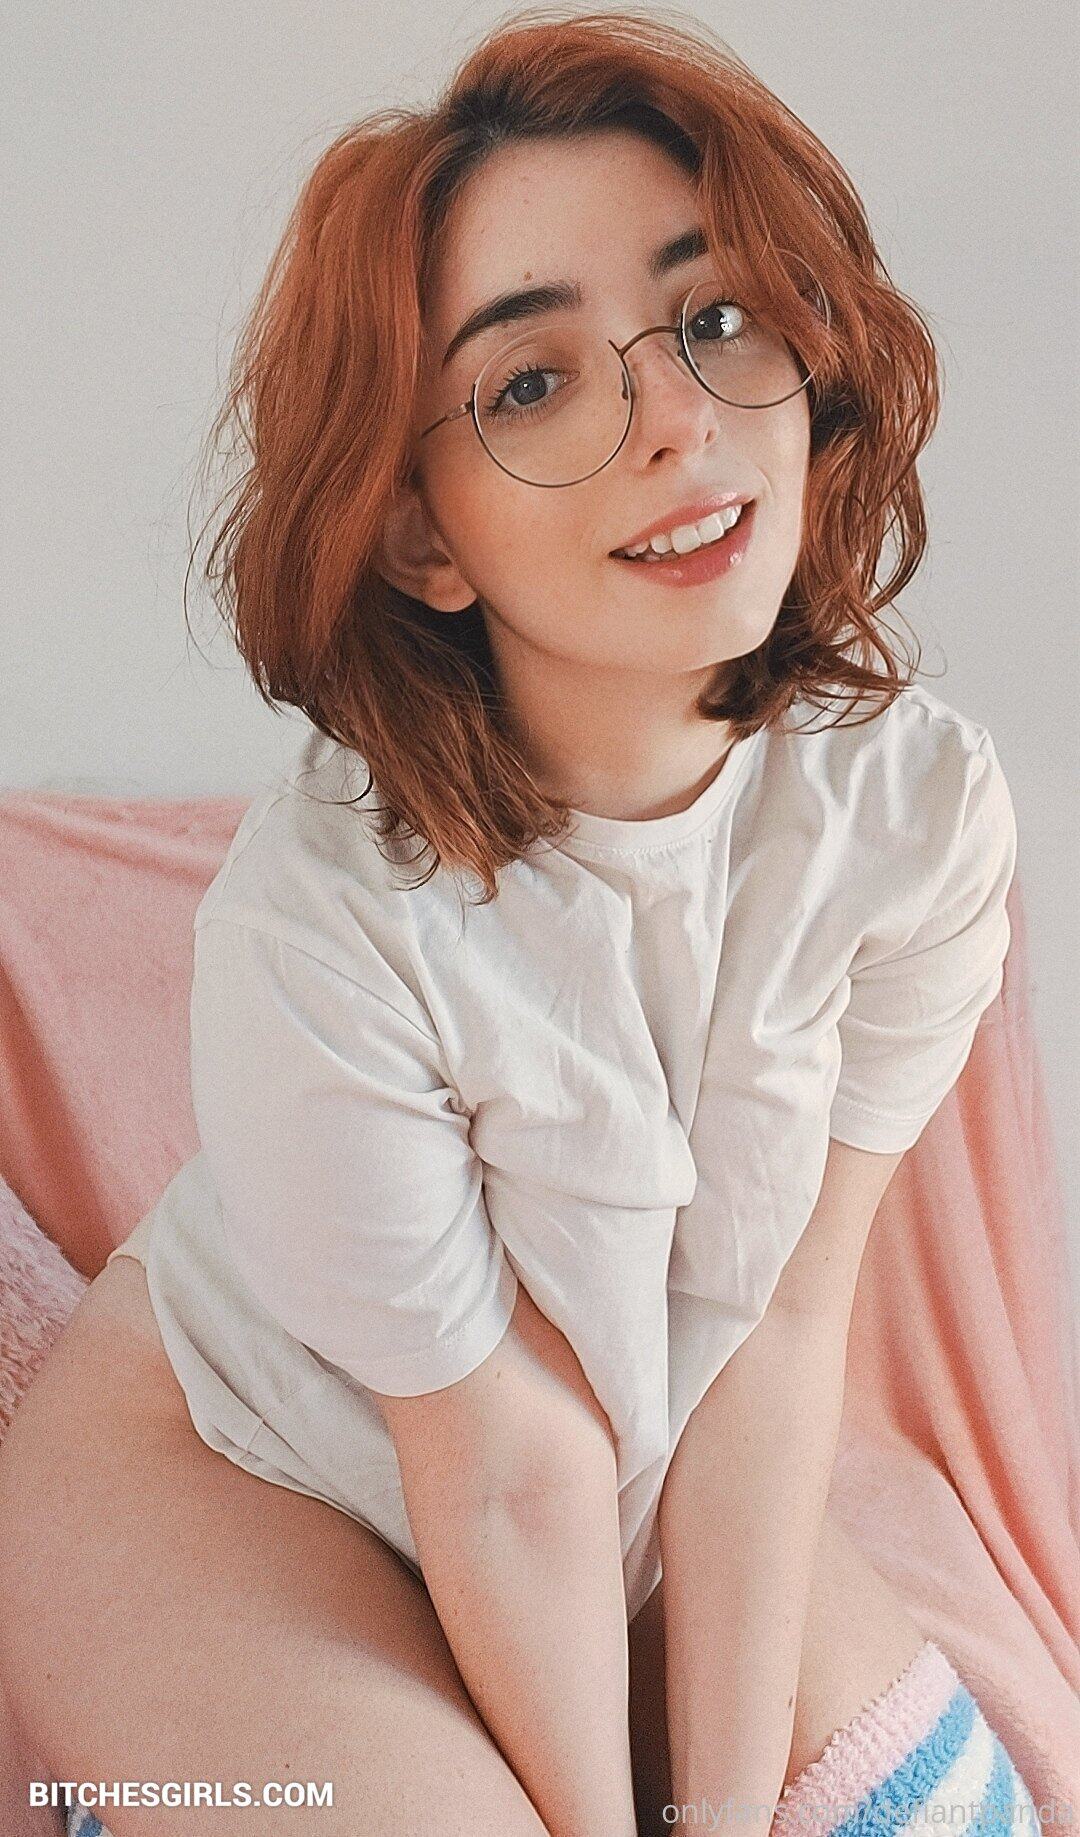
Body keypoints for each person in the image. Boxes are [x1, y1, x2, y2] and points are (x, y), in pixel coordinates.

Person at [0, 8, 1036, 1835]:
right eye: (534, 381)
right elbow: (498, 1467)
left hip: (617, 1467)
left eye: (717, 315)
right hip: (236, 1459)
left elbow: (775, 1343)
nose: (678, 420)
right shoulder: (323, 922)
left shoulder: (918, 819)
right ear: (422, 532)